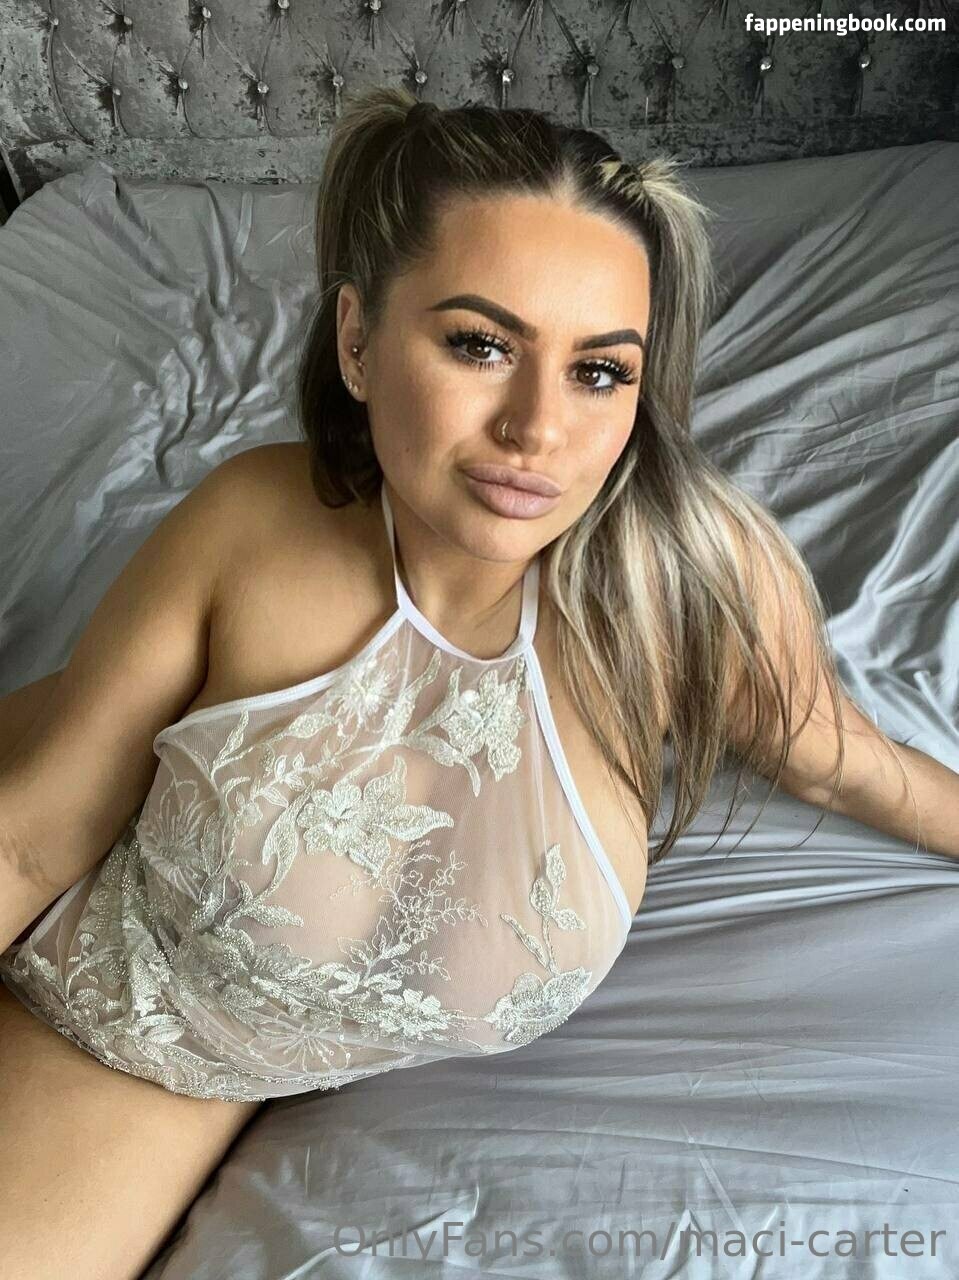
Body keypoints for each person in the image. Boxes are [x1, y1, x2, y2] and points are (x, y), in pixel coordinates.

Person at [0, 85, 942, 1278]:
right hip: (113, 1010)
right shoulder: (251, 528)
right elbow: (32, 841)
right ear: (356, 341)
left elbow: (841, 760)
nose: (535, 428)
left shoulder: (685, 589)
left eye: (597, 370)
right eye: (479, 345)